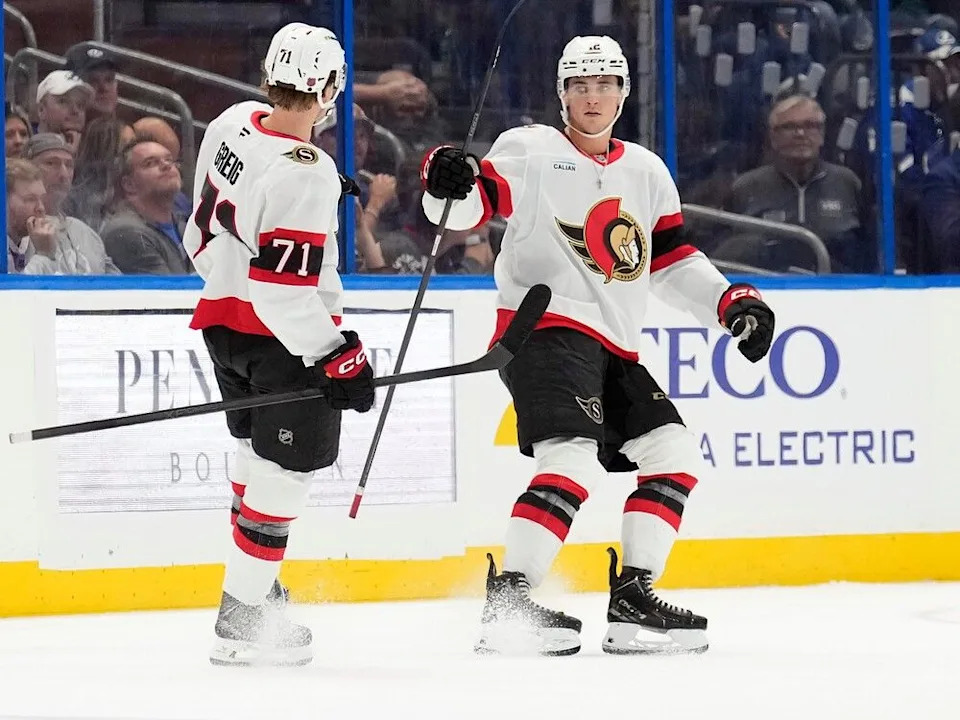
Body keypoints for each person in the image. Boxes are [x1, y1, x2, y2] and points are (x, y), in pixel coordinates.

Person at [420, 36, 775, 656]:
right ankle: (510, 604)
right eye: (580, 85)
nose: (593, 96)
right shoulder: (528, 149)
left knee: (674, 455)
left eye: (606, 83)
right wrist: (444, 180)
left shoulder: (645, 170)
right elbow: (465, 209)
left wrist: (729, 302)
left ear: (624, 92)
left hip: (615, 342)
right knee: (571, 458)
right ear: (562, 94)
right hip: (542, 327)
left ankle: (634, 601)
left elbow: (667, 258)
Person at [182, 23, 375, 667]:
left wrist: (232, 278)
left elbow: (198, 236)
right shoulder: (309, 172)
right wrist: (334, 351)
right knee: (285, 476)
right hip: (281, 342)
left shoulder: (232, 121)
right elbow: (283, 293)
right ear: (330, 88)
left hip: (221, 327)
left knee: (250, 454)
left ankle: (256, 591)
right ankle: (241, 618)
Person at [720, 95, 870, 273]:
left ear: (822, 135)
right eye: (789, 127)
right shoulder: (746, 187)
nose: (800, 134)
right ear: (773, 137)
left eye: (810, 126)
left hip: (838, 291)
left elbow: (868, 250)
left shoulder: (848, 183)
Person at [23, 133, 119, 274]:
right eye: (51, 163)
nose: (63, 174)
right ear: (26, 168)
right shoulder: (17, 233)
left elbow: (117, 287)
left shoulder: (85, 233)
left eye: (69, 165)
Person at [100, 139, 192, 274]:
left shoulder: (184, 224)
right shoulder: (126, 232)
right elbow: (168, 293)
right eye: (150, 163)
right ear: (129, 184)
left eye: (169, 159)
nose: (166, 165)